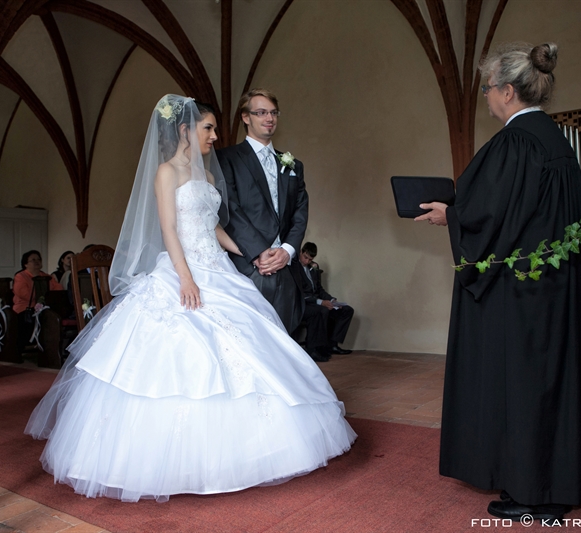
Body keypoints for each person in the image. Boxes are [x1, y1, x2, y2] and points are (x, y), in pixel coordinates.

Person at [25, 95, 356, 502]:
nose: (215, 137)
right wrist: (185, 278)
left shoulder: (210, 178)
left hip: (217, 266)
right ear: (184, 129)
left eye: (215, 129)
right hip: (183, 271)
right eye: (208, 129)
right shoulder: (166, 173)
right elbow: (168, 228)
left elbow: (213, 228)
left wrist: (247, 254)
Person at [416, 43, 581, 521]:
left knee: (524, 388)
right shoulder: (556, 141)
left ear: (507, 91)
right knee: (553, 385)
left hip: (522, 293)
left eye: (487, 89)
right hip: (556, 288)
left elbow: (492, 217)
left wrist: (453, 215)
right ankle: (558, 486)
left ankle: (531, 493)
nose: (485, 97)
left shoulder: (515, 142)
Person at [216, 89, 308, 335]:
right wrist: (258, 252)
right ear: (246, 118)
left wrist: (287, 251)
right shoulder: (226, 159)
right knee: (252, 342)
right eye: (261, 112)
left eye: (273, 112)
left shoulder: (292, 164)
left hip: (286, 268)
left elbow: (300, 211)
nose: (269, 118)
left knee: (286, 342)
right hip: (249, 267)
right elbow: (229, 209)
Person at [293, 242, 354, 362]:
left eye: (310, 259)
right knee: (322, 310)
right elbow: (299, 293)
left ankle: (332, 344)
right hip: (304, 304)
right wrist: (321, 302)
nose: (307, 261)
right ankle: (315, 349)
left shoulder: (313, 268)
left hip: (317, 302)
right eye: (305, 257)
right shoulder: (295, 268)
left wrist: (331, 300)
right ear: (301, 252)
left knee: (347, 310)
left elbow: (319, 289)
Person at [13, 250, 63, 355]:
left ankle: (51, 350)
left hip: (45, 307)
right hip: (26, 308)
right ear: (25, 263)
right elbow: (24, 294)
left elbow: (58, 289)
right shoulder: (20, 276)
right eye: (33, 260)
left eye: (39, 259)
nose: (37, 262)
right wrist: (44, 295)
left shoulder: (47, 276)